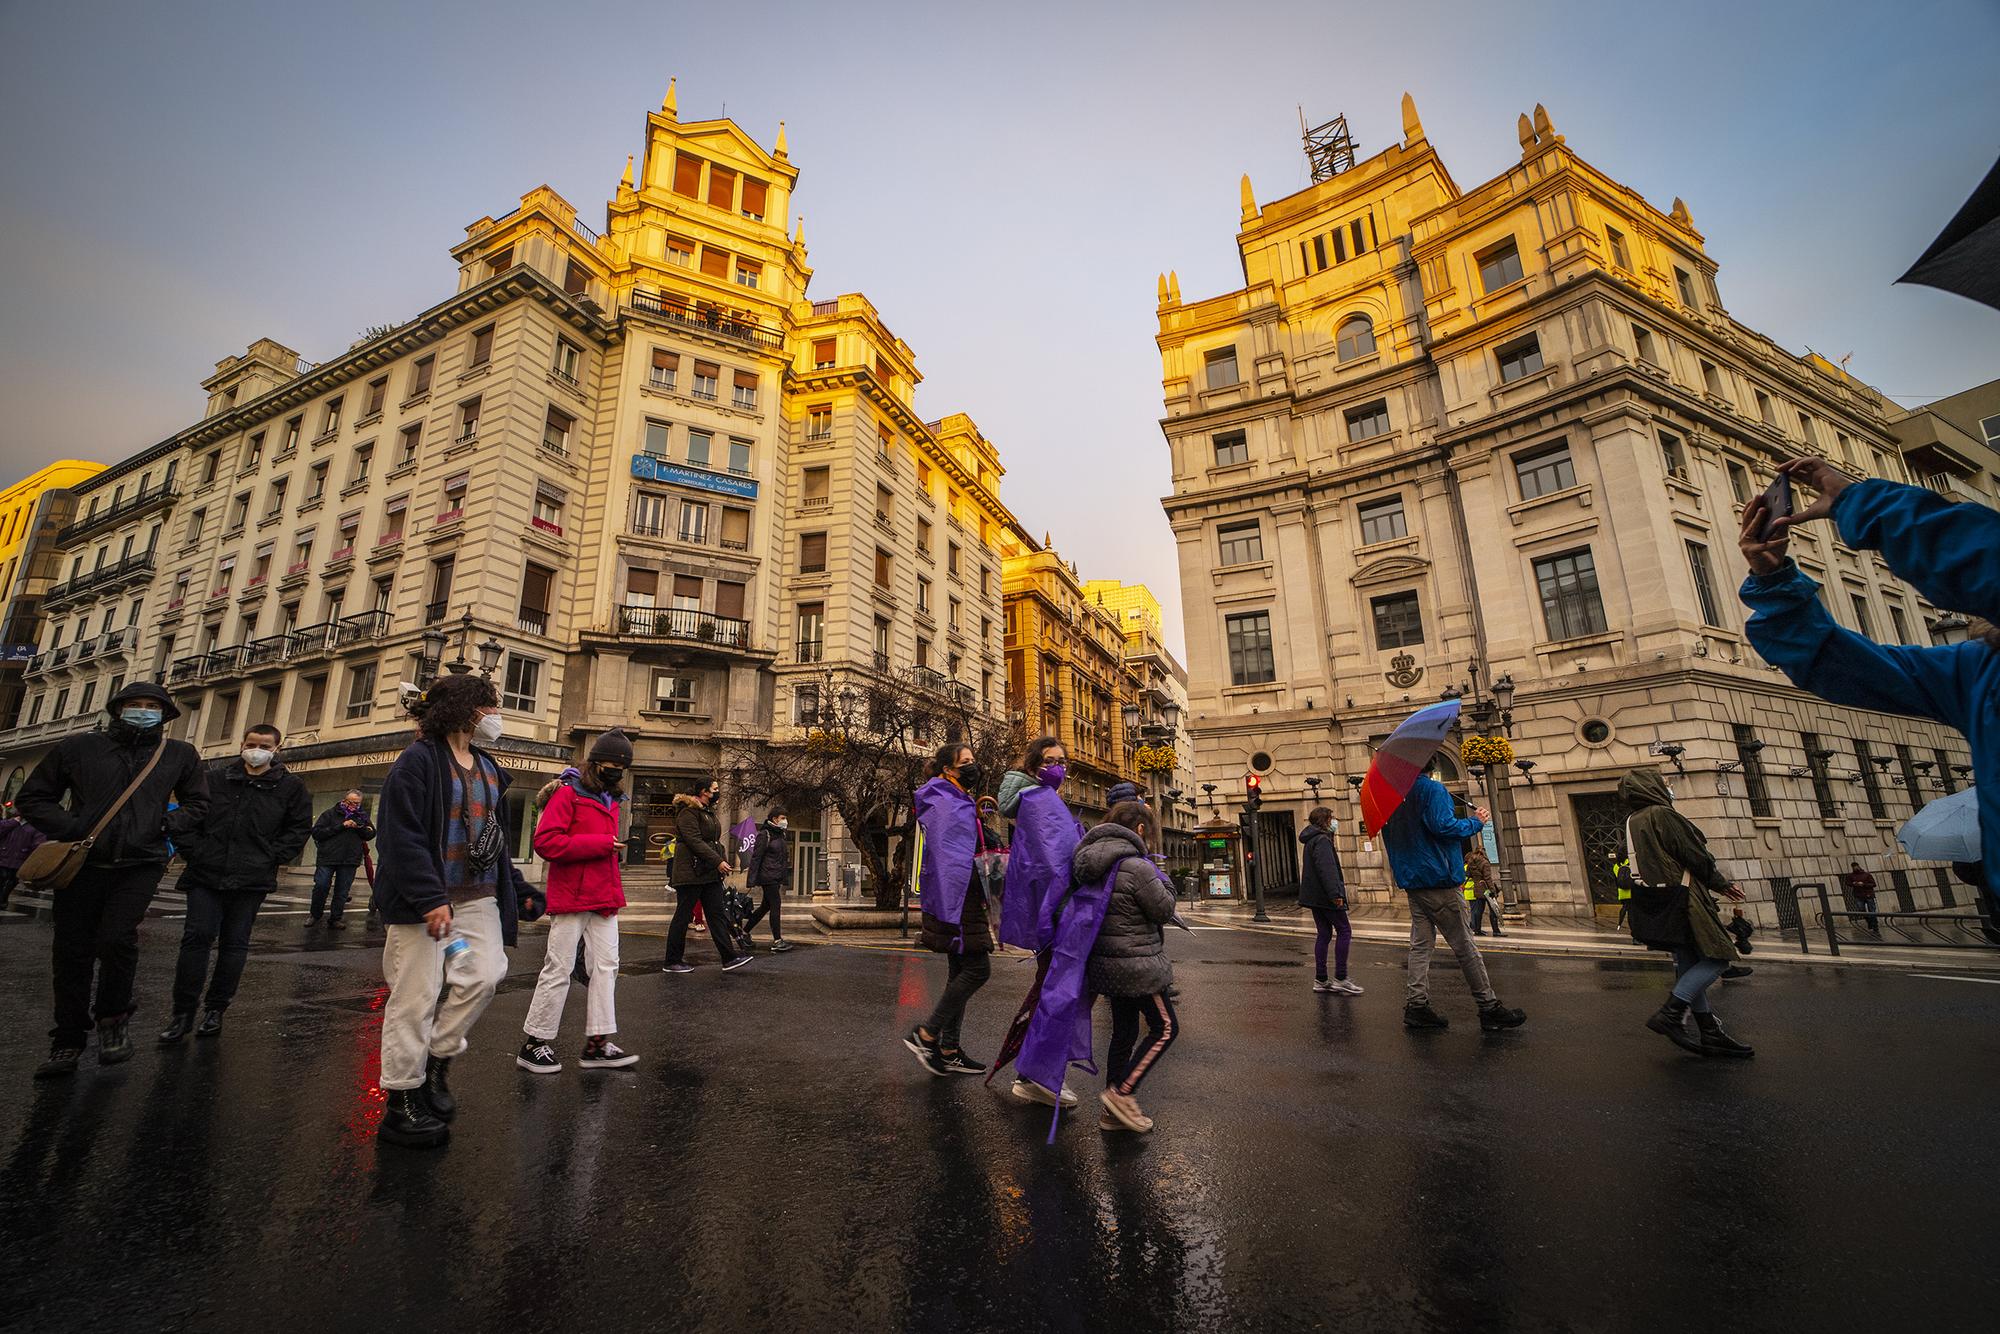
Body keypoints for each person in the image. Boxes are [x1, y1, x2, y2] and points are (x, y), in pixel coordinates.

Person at [1738, 457, 2000, 915]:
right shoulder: (1975, 671)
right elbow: (1842, 665)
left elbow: (1974, 560)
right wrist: (1774, 580)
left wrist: (1860, 502)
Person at [371, 673, 540, 1148]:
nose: (495, 716)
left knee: (485, 975)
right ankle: (402, 1101)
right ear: (465, 709)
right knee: (415, 998)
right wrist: (429, 898)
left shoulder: (487, 766)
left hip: (477, 896)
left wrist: (520, 889)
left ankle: (436, 1060)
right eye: (489, 707)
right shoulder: (418, 761)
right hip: (424, 904)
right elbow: (400, 837)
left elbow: (493, 840)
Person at [17, 681, 209, 1077]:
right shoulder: (78, 748)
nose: (143, 711)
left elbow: (199, 803)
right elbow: (33, 797)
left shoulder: (178, 754)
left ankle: (113, 1020)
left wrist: (165, 824)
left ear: (164, 713)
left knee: (117, 939)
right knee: (72, 950)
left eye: (151, 705)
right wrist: (73, 827)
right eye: (135, 704)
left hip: (140, 862)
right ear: (118, 708)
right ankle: (67, 1038)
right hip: (83, 862)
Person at [162, 724, 312, 1041]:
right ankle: (182, 1012)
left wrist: (271, 857)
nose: (257, 750)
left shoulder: (291, 787)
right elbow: (189, 816)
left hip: (251, 877)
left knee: (234, 943)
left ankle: (215, 1009)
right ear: (242, 744)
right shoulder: (215, 779)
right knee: (196, 938)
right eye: (252, 744)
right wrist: (194, 851)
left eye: (265, 746)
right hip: (206, 872)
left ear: (277, 750)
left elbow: (298, 829)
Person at [519, 729, 637, 1073]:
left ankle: (597, 1043)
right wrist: (600, 844)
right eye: (612, 765)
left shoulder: (611, 798)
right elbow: (546, 842)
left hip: (603, 893)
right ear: (596, 762)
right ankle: (534, 1043)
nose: (617, 771)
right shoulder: (568, 793)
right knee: (559, 967)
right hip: (572, 894)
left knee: (607, 966)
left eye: (622, 767)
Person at [1379, 761, 1524, 1032]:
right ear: (1430, 764)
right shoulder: (1433, 790)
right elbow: (1443, 826)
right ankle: (1489, 1007)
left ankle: (1417, 1006)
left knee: (1421, 945)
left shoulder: (1392, 797)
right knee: (1465, 946)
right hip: (1439, 879)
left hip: (1413, 881)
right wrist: (1475, 822)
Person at [1618, 765, 1752, 1058]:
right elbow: (1694, 854)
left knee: (1689, 964)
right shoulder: (1662, 814)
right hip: (1686, 899)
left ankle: (1709, 1031)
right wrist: (1721, 884)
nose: (1668, 788)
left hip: (1661, 900)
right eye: (1663, 783)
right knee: (1718, 957)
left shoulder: (1632, 820)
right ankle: (1672, 1011)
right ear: (1652, 787)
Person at [1081, 801, 1178, 1133]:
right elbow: (1163, 910)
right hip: (1137, 963)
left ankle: (1112, 1114)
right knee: (1165, 1028)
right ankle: (1121, 1094)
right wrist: (1166, 881)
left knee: (1124, 1032)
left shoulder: (1095, 861)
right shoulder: (1137, 866)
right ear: (1139, 830)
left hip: (1107, 962)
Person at [903, 743, 992, 1077]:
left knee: (960, 972)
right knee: (978, 970)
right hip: (958, 898)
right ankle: (926, 1034)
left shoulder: (956, 798)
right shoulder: (944, 801)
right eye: (965, 762)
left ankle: (949, 1049)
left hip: (960, 896)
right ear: (948, 770)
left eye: (973, 760)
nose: (973, 766)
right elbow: (951, 856)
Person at [663, 776, 748, 973]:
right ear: (704, 791)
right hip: (690, 872)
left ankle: (729, 957)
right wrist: (718, 861)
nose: (718, 792)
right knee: (683, 915)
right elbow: (694, 841)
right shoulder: (688, 812)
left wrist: (721, 859)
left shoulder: (707, 812)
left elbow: (713, 842)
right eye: (715, 789)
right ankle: (672, 960)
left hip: (708, 873)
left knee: (716, 914)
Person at [1298, 806, 1360, 995]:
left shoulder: (1311, 840)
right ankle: (1340, 978)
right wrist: (1336, 895)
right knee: (1344, 930)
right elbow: (1327, 869)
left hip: (1315, 896)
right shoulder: (1322, 840)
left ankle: (1321, 979)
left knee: (1324, 934)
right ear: (1324, 820)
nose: (1334, 822)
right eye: (1331, 818)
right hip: (1326, 896)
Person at [308, 788, 374, 926]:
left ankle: (335, 918)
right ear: (344, 800)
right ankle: (315, 915)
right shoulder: (330, 814)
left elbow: (370, 834)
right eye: (351, 802)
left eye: (357, 803)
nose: (354, 806)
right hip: (328, 857)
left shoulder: (362, 816)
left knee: (342, 891)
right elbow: (317, 833)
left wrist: (359, 827)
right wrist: (341, 826)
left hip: (350, 859)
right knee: (321, 886)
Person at [743, 808, 794, 953]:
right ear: (774, 819)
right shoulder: (764, 834)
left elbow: (781, 859)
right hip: (768, 877)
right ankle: (777, 940)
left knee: (765, 906)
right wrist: (751, 880)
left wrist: (782, 877)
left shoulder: (780, 834)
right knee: (776, 904)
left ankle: (744, 932)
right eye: (782, 818)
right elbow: (756, 858)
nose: (785, 821)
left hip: (775, 876)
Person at [0, 801, 47, 911]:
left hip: (19, 859)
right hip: (4, 856)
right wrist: (13, 822)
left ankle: (3, 898)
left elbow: (38, 844)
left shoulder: (35, 828)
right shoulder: (10, 823)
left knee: (11, 880)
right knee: (2, 878)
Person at [1465, 845, 1504, 937]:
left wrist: (1477, 879)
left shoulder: (1471, 862)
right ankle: (1496, 931)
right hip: (1486, 888)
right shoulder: (1484, 862)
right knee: (1493, 909)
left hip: (1477, 888)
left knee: (1478, 910)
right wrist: (1492, 890)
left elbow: (1468, 874)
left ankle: (1477, 930)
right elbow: (1488, 878)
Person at [1843, 862, 1880, 933]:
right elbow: (1847, 883)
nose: (1855, 868)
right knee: (1861, 910)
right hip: (1858, 895)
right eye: (1853, 867)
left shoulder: (1867, 874)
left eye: (1856, 866)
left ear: (1858, 866)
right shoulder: (1851, 875)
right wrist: (1853, 883)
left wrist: (1863, 884)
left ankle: (1875, 926)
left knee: (1872, 910)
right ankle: (1869, 922)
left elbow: (1873, 884)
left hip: (1868, 895)